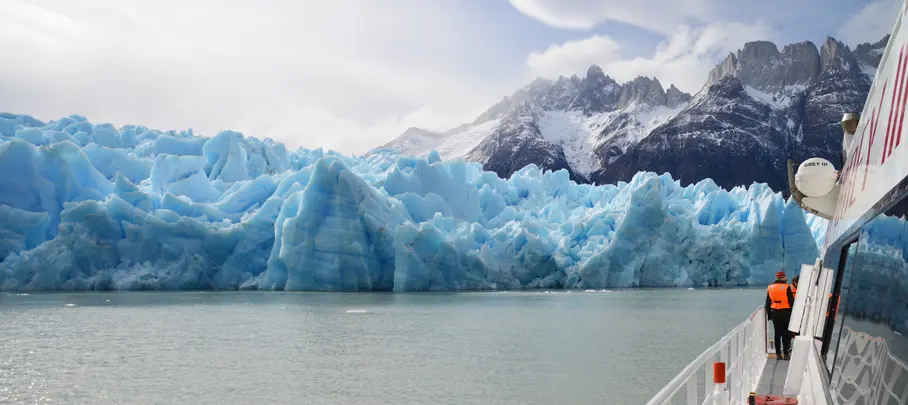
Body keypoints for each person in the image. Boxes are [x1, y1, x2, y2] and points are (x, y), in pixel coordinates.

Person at [765, 271, 795, 360]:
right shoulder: (787, 287)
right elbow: (791, 302)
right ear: (784, 278)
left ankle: (778, 354)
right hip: (786, 313)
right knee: (786, 334)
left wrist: (769, 315)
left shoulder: (770, 287)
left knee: (777, 334)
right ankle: (786, 354)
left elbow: (767, 303)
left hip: (775, 313)